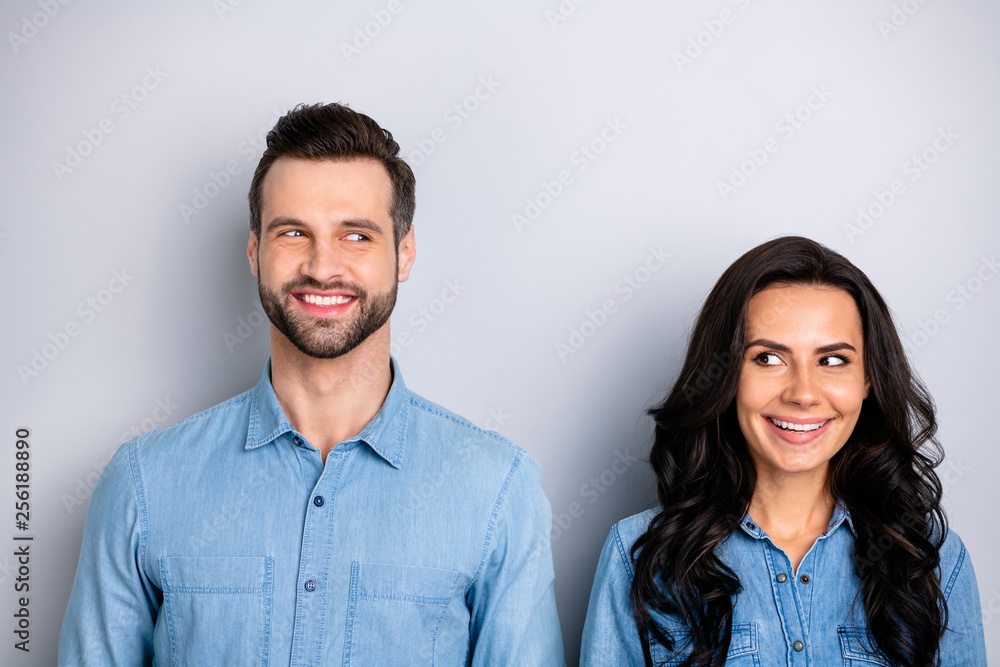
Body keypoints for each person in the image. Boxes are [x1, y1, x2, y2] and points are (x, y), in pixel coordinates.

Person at [59, 103, 564, 666]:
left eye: (356, 236)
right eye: (294, 232)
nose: (323, 267)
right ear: (255, 250)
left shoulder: (498, 489)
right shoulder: (143, 484)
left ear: (404, 252)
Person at [580, 236, 987, 666]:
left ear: (869, 381)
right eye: (768, 358)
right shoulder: (640, 555)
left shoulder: (931, 560)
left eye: (832, 360)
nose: (803, 394)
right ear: (725, 375)